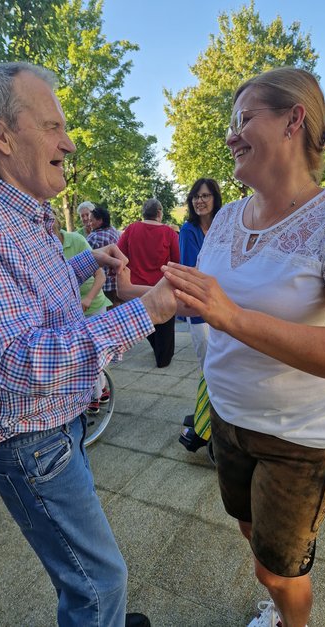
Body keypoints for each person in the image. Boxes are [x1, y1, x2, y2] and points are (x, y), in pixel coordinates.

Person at [0, 61, 178, 627]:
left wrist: (85, 261)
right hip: (31, 437)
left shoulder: (11, 213)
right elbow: (17, 359)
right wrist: (146, 312)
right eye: (53, 126)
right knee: (97, 582)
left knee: (89, 571)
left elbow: (29, 295)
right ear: (1, 135)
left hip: (54, 425)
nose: (70, 142)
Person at [162, 67, 325, 627]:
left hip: (301, 440)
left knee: (277, 571)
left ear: (293, 120)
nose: (230, 135)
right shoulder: (228, 217)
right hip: (227, 420)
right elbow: (207, 301)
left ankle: (291, 621)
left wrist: (232, 317)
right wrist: (143, 290)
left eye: (244, 119)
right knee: (250, 532)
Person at [176, 178, 222, 450]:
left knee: (223, 367)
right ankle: (208, 423)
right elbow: (192, 270)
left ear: (215, 198)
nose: (200, 200)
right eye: (195, 196)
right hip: (200, 310)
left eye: (205, 195)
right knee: (209, 369)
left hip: (225, 306)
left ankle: (212, 419)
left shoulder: (224, 226)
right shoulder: (189, 230)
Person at [118, 198, 180, 368]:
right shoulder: (169, 233)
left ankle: (157, 349)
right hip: (162, 286)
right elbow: (176, 260)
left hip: (136, 287)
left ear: (143, 213)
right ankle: (163, 359)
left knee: (145, 321)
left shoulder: (131, 229)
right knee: (166, 325)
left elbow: (120, 256)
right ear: (159, 213)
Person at [60, 228, 112, 414]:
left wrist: (88, 299)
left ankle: (94, 395)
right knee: (83, 354)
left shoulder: (76, 240)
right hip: (71, 307)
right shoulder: (43, 246)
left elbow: (100, 275)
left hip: (93, 302)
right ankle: (101, 388)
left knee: (94, 353)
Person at [87, 206, 122, 307]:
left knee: (106, 308)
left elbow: (87, 257)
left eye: (91, 220)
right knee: (116, 306)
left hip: (102, 282)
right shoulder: (113, 230)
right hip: (115, 278)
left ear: (100, 221)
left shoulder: (94, 237)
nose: (89, 223)